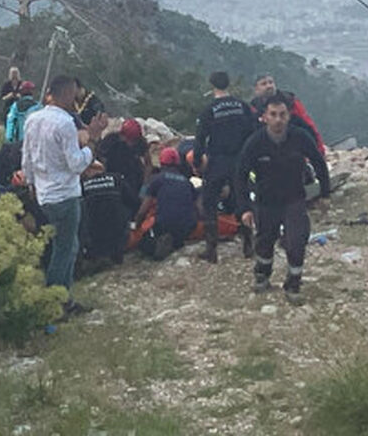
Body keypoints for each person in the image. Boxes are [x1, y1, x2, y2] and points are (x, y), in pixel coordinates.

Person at [22, 74, 108, 316]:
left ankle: (53, 296)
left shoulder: (33, 119)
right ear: (70, 96)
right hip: (65, 194)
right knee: (66, 248)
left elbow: (26, 156)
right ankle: (59, 301)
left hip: (43, 193)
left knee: (59, 245)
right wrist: (92, 142)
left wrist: (31, 182)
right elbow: (76, 164)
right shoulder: (65, 124)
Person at [236, 93, 330, 303]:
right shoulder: (255, 142)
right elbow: (240, 175)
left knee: (296, 242)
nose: (278, 119)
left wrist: (325, 193)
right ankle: (262, 275)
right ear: (264, 117)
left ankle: (293, 285)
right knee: (265, 242)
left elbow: (319, 163)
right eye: (273, 114)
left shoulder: (300, 137)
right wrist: (244, 208)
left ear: (288, 116)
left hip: (294, 199)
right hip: (265, 201)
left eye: (282, 114)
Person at [192, 71, 259, 263]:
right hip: (240, 160)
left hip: (217, 161)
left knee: (209, 203)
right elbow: (253, 133)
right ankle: (248, 243)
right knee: (242, 199)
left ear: (212, 85)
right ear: (228, 84)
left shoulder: (209, 110)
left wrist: (197, 163)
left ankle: (211, 249)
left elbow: (199, 140)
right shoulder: (242, 106)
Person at [136, 147, 199, 260]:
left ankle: (160, 244)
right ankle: (175, 242)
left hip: (165, 223)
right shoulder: (187, 182)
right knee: (177, 232)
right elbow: (198, 208)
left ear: (161, 162)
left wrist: (137, 226)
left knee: (143, 245)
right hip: (188, 226)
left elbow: (143, 209)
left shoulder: (156, 179)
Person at [250, 74, 326, 154]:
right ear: (256, 88)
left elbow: (308, 125)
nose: (269, 86)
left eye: (271, 82)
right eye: (264, 84)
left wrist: (319, 149)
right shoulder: (254, 108)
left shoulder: (290, 101)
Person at [79, 161, 133, 268]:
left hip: (93, 236)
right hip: (117, 234)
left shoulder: (81, 186)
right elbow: (132, 201)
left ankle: (94, 258)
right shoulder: (116, 179)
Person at [96, 118, 147, 209]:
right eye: (130, 140)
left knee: (134, 201)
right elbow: (100, 157)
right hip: (113, 175)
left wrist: (144, 184)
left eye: (134, 141)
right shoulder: (111, 140)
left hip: (133, 175)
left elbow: (148, 163)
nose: (132, 143)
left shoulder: (141, 143)